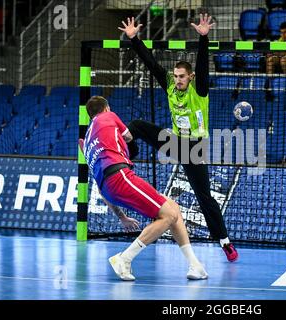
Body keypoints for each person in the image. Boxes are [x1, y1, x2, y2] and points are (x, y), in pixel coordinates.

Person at [118, 14, 239, 262]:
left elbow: (203, 65)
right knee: (137, 126)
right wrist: (134, 40)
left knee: (204, 197)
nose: (178, 80)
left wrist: (203, 38)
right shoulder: (171, 86)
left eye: (182, 76)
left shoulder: (200, 90)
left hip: (195, 149)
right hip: (175, 142)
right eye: (176, 76)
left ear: (190, 77)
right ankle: (131, 154)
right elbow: (151, 63)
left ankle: (225, 241)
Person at [81, 95, 208, 281]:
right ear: (106, 108)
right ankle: (124, 258)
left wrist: (122, 217)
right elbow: (129, 136)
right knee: (169, 215)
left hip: (109, 188)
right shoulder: (108, 116)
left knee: (173, 208)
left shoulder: (88, 141)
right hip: (121, 176)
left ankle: (195, 266)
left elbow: (101, 191)